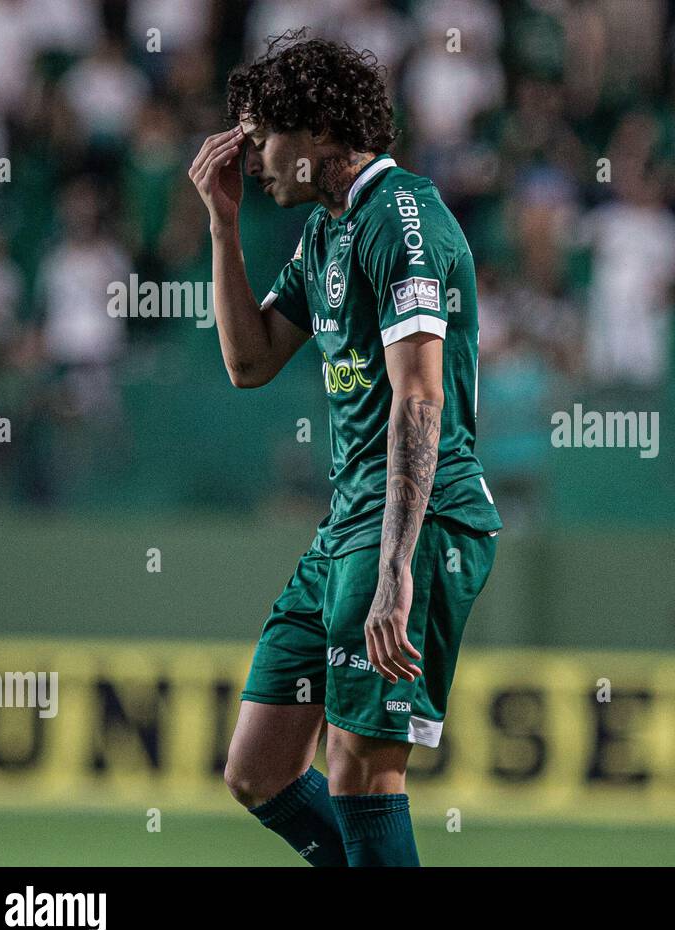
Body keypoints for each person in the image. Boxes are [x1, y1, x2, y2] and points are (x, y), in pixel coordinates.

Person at [189, 33, 501, 867]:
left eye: (261, 140)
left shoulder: (401, 220)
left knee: (360, 773)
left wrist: (397, 564)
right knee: (257, 770)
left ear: (320, 128)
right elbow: (249, 361)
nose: (251, 159)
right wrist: (224, 225)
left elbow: (421, 396)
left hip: (416, 522)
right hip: (346, 528)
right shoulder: (327, 232)